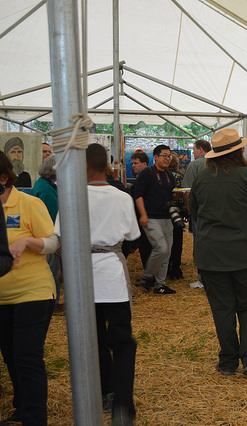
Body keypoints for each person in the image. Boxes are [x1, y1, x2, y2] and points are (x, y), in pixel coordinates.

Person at [57, 144, 139, 424]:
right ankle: (123, 404)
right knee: (122, 341)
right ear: (106, 166)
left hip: (82, 276)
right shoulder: (121, 196)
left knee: (93, 338)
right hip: (112, 275)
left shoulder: (72, 197)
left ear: (83, 167)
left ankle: (105, 391)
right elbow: (132, 233)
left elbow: (59, 237)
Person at [190, 128, 247, 376]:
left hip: (210, 255)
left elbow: (194, 214)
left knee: (222, 308)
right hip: (245, 253)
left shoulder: (201, 178)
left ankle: (228, 361)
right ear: (238, 151)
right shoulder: (246, 176)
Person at [0, 151, 57, 425]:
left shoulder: (28, 202)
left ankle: (35, 418)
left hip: (32, 292)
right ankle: (21, 407)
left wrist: (25, 243)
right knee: (10, 356)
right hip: (2, 297)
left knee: (26, 356)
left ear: (3, 177)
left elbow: (53, 243)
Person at [133, 144, 176, 295]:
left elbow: (170, 196)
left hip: (166, 218)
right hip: (151, 218)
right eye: (164, 156)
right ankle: (146, 277)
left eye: (169, 156)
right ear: (155, 157)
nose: (167, 159)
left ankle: (160, 285)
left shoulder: (170, 176)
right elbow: (138, 195)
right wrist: (143, 215)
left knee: (167, 252)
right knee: (161, 248)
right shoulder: (147, 173)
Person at [31, 155, 62, 308]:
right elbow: (52, 217)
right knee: (52, 270)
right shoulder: (48, 190)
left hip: (43, 234)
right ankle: (53, 302)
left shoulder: (43, 184)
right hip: (49, 235)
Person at [182, 139, 212, 289]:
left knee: (200, 244)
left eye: (194, 150)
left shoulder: (195, 165)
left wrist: (189, 211)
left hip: (199, 212)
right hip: (217, 212)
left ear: (200, 150)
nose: (193, 153)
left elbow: (187, 191)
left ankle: (202, 279)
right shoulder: (218, 163)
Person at [129, 151, 152, 267]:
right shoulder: (139, 179)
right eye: (132, 163)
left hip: (147, 216)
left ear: (145, 164)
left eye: (136, 163)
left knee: (147, 245)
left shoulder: (148, 178)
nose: (133, 166)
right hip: (141, 217)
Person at [166, 152, 186, 281]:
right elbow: (183, 195)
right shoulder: (180, 176)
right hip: (177, 214)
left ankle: (166, 267)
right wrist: (185, 212)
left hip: (164, 213)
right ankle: (176, 269)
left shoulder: (162, 176)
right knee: (177, 242)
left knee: (166, 242)